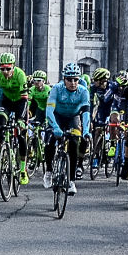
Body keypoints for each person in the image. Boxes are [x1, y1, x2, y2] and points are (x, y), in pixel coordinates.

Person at [44, 63, 91, 195]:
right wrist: (55, 127)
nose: (72, 82)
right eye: (69, 79)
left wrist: (86, 130)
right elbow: (49, 111)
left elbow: (86, 113)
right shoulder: (57, 89)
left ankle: (71, 181)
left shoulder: (83, 91)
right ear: (64, 79)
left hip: (73, 117)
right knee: (51, 140)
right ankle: (48, 171)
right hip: (57, 116)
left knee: (74, 143)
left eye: (75, 79)